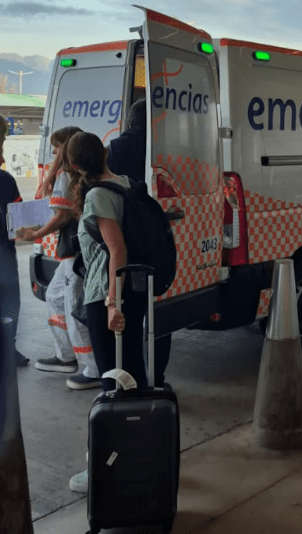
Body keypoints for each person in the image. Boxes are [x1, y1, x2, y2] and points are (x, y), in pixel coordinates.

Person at [66, 130, 150, 493]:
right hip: (131, 290)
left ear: (73, 165)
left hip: (107, 295)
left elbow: (117, 251)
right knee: (133, 377)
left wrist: (112, 304)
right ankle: (145, 458)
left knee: (112, 384)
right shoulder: (125, 183)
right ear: (103, 153)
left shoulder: (98, 195)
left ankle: (107, 467)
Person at [18, 127, 101, 390]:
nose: (53, 151)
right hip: (77, 251)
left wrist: (34, 233)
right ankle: (66, 355)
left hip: (73, 253)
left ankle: (92, 368)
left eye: (56, 145)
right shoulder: (85, 173)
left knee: (74, 308)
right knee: (55, 297)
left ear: (66, 147)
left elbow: (61, 215)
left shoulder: (65, 175)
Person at [107, 98, 172, 388]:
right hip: (156, 238)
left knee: (132, 314)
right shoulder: (165, 147)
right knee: (159, 311)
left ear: (131, 120)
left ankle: (132, 380)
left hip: (126, 237)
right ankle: (157, 379)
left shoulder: (116, 148)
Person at [0, 113, 29, 367]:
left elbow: (19, 221)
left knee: (10, 303)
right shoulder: (5, 180)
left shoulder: (6, 180)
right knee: (9, 302)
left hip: (5, 254)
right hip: (5, 256)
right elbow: (20, 224)